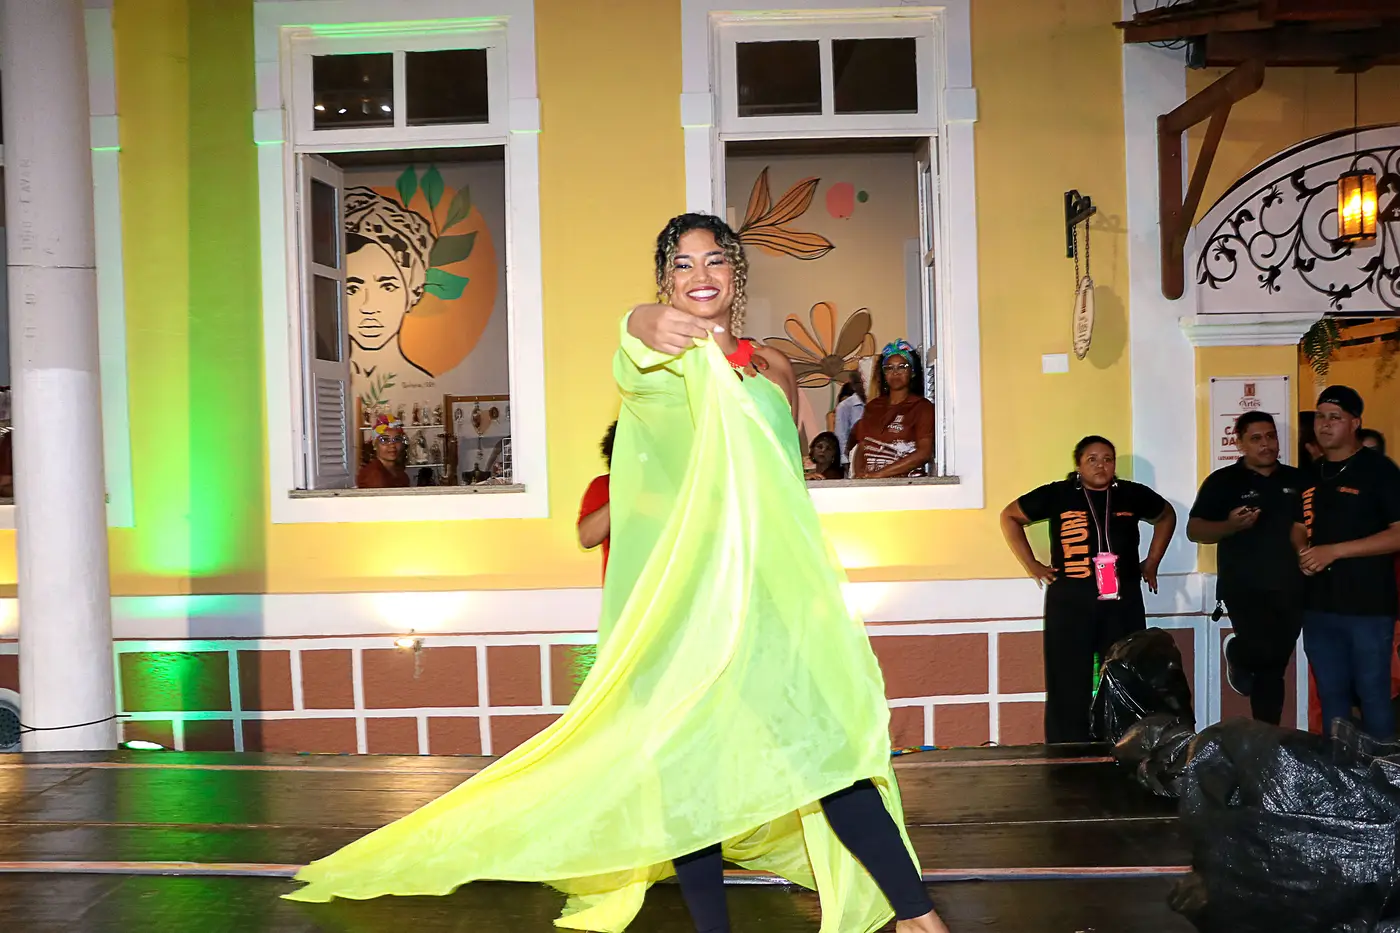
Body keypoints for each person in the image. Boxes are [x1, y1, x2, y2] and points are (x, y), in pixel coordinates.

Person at [285, 213, 949, 933]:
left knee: (832, 752)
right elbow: (635, 339)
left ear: (736, 273)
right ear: (666, 281)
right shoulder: (660, 354)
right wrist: (638, 318)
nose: (700, 276)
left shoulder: (774, 369)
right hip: (687, 605)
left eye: (714, 260)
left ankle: (917, 916)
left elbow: (781, 482)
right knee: (689, 774)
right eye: (682, 265)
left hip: (765, 597)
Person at [1000, 436, 1177, 744]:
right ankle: (1066, 750)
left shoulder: (1132, 494)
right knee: (1067, 679)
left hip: (1122, 600)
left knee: (1126, 674)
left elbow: (1166, 515)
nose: (1101, 465)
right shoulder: (1058, 494)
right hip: (1071, 601)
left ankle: (1124, 746)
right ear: (1079, 465)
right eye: (1092, 459)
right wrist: (1032, 565)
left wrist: (1152, 562)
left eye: (1108, 459)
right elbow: (1009, 516)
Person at [1187, 411, 1306, 725]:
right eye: (1256, 438)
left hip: (1293, 586)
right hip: (1244, 587)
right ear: (1239, 443)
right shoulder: (1223, 482)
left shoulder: (1298, 480)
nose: (1266, 444)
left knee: (1274, 667)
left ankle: (1266, 737)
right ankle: (1238, 653)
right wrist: (1230, 525)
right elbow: (1195, 530)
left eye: (1271, 436)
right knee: (1263, 654)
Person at [1294, 385, 1400, 739]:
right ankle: (1338, 771)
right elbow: (1297, 526)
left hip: (1367, 607)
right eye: (1320, 417)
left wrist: (1334, 551)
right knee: (1331, 697)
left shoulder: (1380, 471)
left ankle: (1384, 772)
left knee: (1374, 695)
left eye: (1335, 417)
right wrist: (1302, 550)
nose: (1324, 424)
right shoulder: (1312, 473)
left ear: (1355, 423)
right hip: (1319, 606)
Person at [851, 340, 934, 479]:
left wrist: (879, 474)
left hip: (904, 485)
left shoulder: (922, 407)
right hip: (870, 485)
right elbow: (862, 446)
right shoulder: (872, 407)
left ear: (912, 372)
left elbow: (924, 453)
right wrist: (859, 475)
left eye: (902, 367)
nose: (895, 372)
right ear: (884, 374)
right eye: (889, 368)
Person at [578, 421, 617, 578]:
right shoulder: (603, 486)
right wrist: (622, 492)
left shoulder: (672, 487)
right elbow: (587, 539)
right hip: (622, 587)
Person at [355, 416, 409, 488]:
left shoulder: (397, 470)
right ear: (375, 444)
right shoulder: (374, 475)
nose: (392, 445)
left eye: (397, 439)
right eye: (385, 440)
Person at [834, 370, 866, 466]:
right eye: (860, 383)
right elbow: (841, 436)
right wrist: (845, 462)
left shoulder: (880, 403)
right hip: (853, 460)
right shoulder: (844, 406)